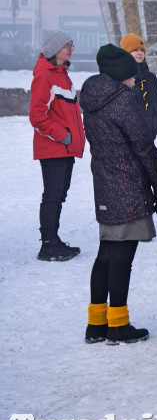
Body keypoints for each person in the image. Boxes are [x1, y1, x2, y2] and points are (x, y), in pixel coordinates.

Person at [80, 44, 157, 345]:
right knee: (122, 257)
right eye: (131, 76)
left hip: (104, 184)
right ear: (121, 75)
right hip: (128, 186)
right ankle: (118, 324)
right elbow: (143, 146)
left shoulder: (91, 98)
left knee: (105, 254)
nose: (134, 81)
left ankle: (96, 323)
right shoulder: (124, 101)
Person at [30, 29, 85, 262]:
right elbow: (36, 116)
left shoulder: (62, 73)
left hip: (64, 148)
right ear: (54, 50)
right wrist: (63, 135)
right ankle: (48, 244)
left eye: (72, 45)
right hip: (54, 148)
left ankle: (53, 240)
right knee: (52, 196)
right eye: (67, 46)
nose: (71, 49)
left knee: (59, 195)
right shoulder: (45, 76)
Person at [119, 33, 157, 137]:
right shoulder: (122, 78)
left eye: (141, 50)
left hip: (150, 135)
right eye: (135, 50)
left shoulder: (151, 78)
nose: (139, 53)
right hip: (128, 137)